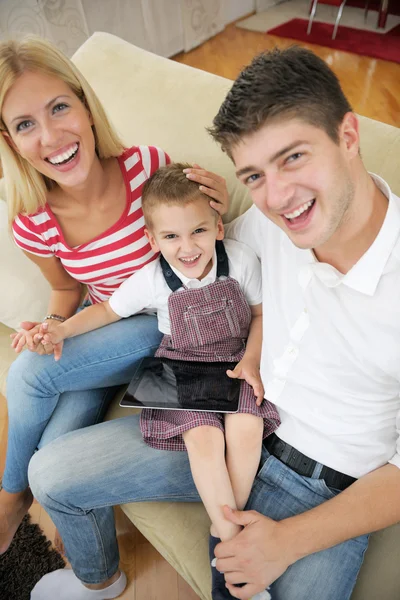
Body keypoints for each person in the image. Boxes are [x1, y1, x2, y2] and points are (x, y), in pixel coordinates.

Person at [26, 44, 400, 600]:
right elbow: (191, 258)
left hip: (319, 488)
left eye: (293, 157)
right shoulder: (268, 225)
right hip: (217, 423)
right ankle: (98, 581)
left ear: (348, 136)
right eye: (254, 174)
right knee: (50, 474)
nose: (278, 198)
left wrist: (288, 540)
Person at [0, 35, 228, 576]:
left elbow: (199, 245)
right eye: (25, 124)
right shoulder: (32, 220)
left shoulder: (146, 166)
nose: (51, 135)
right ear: (8, 140)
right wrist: (54, 327)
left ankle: (8, 500)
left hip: (164, 323)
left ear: (86, 105)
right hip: (105, 334)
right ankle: (97, 567)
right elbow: (66, 292)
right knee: (49, 454)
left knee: (28, 375)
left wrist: (218, 207)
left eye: (59, 107)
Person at [40, 162, 280, 600]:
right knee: (204, 437)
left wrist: (252, 359)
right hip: (181, 367)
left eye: (198, 232)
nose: (187, 247)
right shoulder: (152, 280)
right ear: (153, 239)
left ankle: (223, 526)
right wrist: (61, 329)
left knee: (247, 430)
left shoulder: (242, 260)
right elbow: (108, 310)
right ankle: (233, 545)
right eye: (171, 236)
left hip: (236, 360)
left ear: (218, 227)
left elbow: (261, 315)